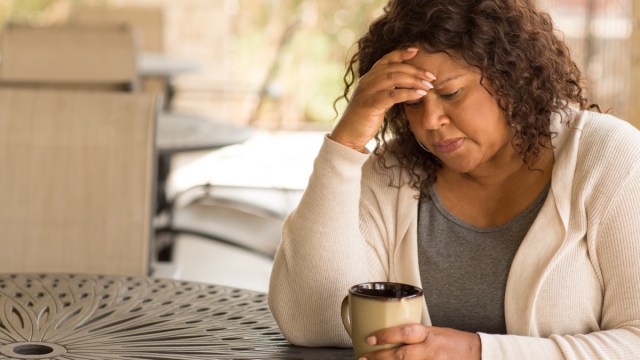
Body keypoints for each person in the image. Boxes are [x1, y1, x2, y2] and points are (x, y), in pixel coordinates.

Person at [268, 0, 640, 359]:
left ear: (509, 76)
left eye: (451, 93)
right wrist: (346, 142)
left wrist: (477, 352)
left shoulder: (607, 159)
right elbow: (315, 323)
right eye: (412, 101)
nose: (430, 121)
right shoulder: (392, 175)